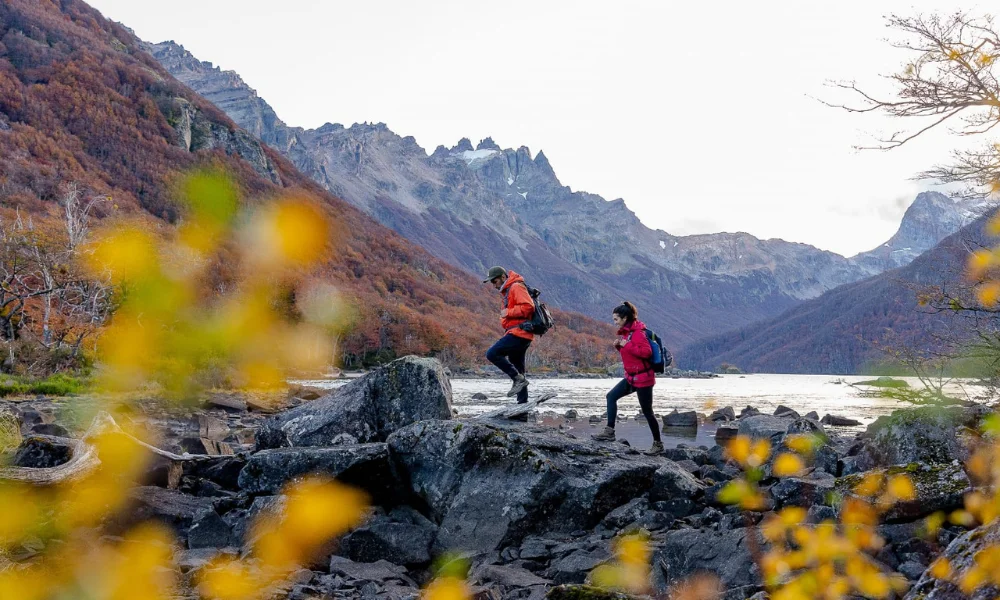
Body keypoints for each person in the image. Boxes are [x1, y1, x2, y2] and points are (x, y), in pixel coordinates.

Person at [592, 301, 662, 454]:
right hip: (631, 377)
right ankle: (609, 432)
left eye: (616, 319)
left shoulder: (638, 333)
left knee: (647, 412)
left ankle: (658, 445)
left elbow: (646, 352)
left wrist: (626, 345)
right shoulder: (627, 334)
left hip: (643, 379)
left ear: (624, 318)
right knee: (611, 396)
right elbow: (631, 355)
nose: (614, 322)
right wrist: (620, 346)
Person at [483, 266, 534, 404]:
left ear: (503, 277)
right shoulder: (508, 291)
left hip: (519, 334)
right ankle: (522, 410)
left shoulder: (516, 287)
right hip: (520, 334)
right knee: (519, 369)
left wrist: (508, 313)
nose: (493, 285)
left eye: (495, 281)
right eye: (492, 282)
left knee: (492, 353)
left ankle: (517, 379)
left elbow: (529, 307)